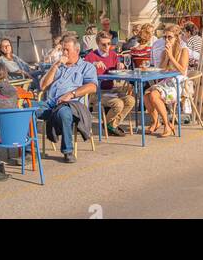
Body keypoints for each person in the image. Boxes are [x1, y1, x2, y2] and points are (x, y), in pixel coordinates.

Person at [39, 34, 97, 162]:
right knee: (25, 108)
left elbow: (92, 86)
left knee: (64, 112)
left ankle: (67, 151)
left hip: (70, 105)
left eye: (67, 50)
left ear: (76, 51)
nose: (64, 53)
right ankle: (27, 150)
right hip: (50, 104)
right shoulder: (58, 67)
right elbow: (43, 86)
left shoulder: (86, 67)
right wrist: (55, 66)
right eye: (62, 49)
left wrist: (72, 94)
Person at [84, 31, 135, 136]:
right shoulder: (91, 56)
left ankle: (111, 124)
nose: (107, 46)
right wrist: (93, 65)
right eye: (104, 44)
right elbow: (82, 71)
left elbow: (118, 69)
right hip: (96, 92)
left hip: (111, 89)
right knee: (118, 104)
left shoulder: (113, 54)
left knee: (130, 100)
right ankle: (110, 125)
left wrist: (120, 65)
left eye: (109, 44)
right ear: (97, 44)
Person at [145, 26, 189, 138]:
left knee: (154, 95)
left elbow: (182, 70)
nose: (167, 40)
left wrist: (171, 57)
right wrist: (166, 57)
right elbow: (162, 68)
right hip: (167, 81)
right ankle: (156, 122)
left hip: (178, 83)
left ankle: (167, 125)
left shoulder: (184, 50)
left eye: (170, 37)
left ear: (177, 37)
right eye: (165, 37)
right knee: (146, 94)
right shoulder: (165, 50)